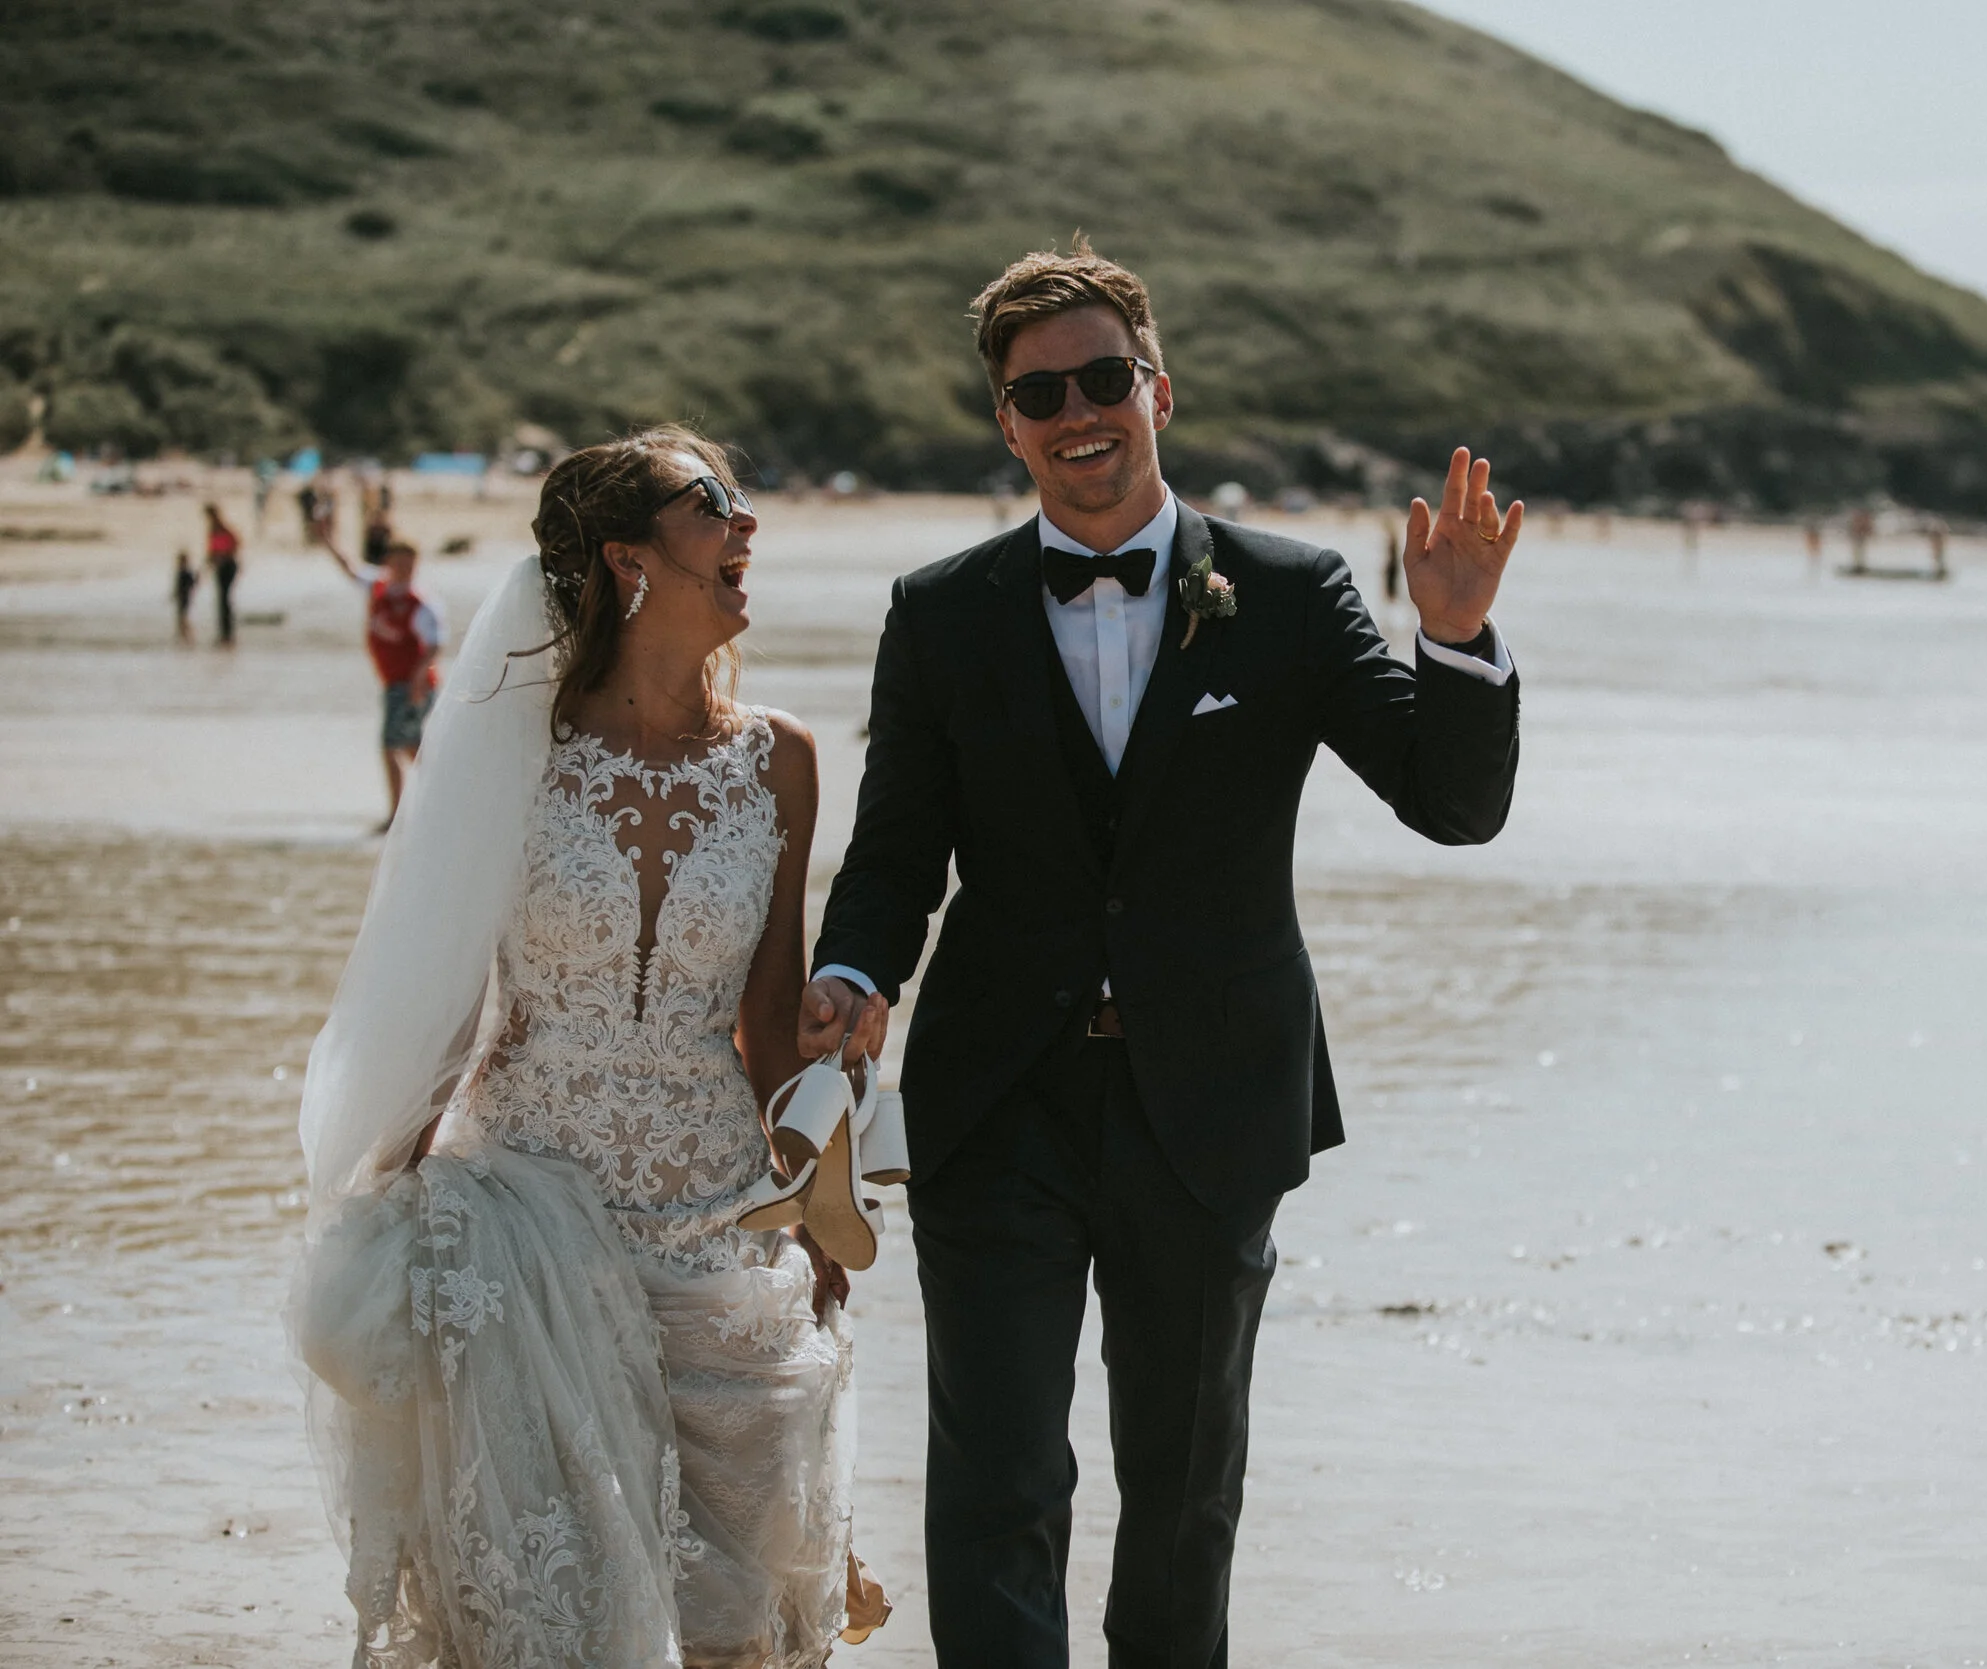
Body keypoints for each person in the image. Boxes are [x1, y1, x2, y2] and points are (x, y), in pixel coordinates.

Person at [801, 242, 1523, 1668]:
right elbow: (896, 852)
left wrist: (1455, 638)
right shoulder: (939, 613)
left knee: (1187, 1491)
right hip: (996, 1102)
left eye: (1103, 377)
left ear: (1159, 389)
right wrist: (854, 975)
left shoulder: (1297, 592)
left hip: (1214, 1103)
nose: (1079, 411)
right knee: (998, 1481)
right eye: (1040, 390)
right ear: (1006, 422)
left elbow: (1454, 806)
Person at [291, 425, 887, 1664]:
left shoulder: (781, 761)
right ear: (627, 558)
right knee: (549, 1622)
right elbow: (450, 1006)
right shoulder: (518, 750)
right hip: (526, 1228)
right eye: (711, 503)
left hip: (721, 1227)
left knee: (730, 1622)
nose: (746, 527)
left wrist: (817, 1199)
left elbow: (767, 1022)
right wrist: (381, 1202)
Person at [315, 525, 443, 827]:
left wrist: (416, 680)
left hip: (412, 684)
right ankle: (442, 797)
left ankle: (397, 815)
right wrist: (328, 540)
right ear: (388, 563)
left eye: (409, 564)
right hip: (394, 682)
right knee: (411, 745)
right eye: (398, 563)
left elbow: (435, 646)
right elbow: (350, 568)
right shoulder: (378, 587)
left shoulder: (421, 602)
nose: (404, 569)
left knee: (391, 745)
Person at [201, 504, 242, 646]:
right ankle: (225, 633)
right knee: (222, 600)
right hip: (221, 566)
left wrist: (222, 556)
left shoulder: (221, 529)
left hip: (227, 566)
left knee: (224, 599)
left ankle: (227, 634)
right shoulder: (215, 530)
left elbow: (234, 544)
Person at [171, 548, 197, 643]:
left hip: (185, 597)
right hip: (183, 597)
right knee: (182, 616)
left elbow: (190, 584)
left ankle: (187, 635)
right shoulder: (182, 572)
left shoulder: (185, 572)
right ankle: (184, 635)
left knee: (183, 617)